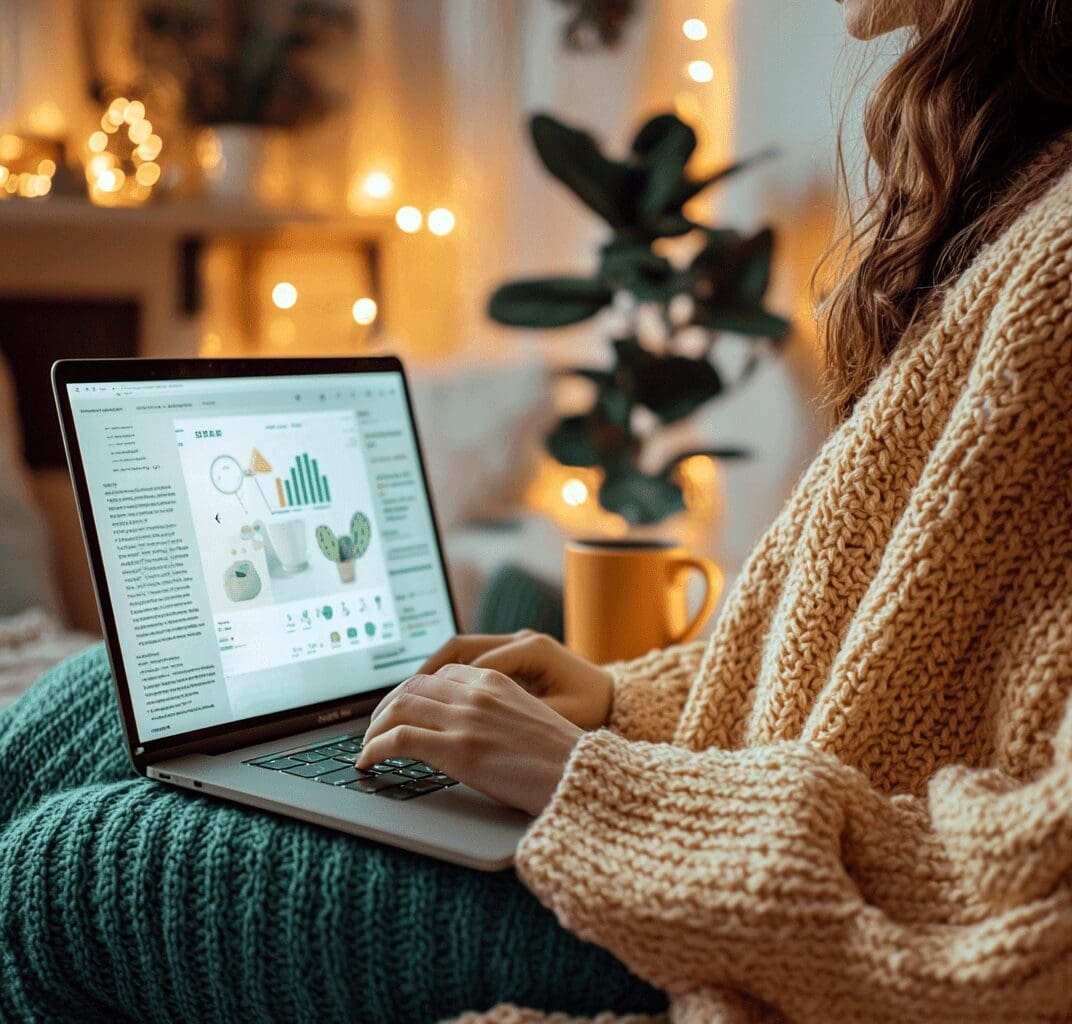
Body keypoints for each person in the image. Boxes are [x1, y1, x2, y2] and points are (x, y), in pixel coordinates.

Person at [1, 0, 1069, 1022]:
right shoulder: (1018, 196)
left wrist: (588, 783)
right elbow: (877, 663)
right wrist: (613, 702)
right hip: (713, 831)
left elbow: (1041, 917)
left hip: (729, 904)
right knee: (97, 694)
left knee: (60, 872)